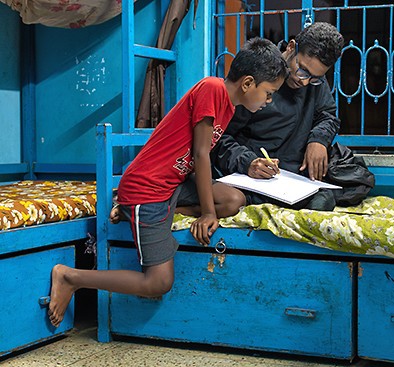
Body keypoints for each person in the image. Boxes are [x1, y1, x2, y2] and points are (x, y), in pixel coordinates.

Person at [48, 37, 289, 327]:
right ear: (248, 83)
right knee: (159, 283)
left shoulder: (229, 107)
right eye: (268, 92)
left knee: (234, 199)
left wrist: (209, 206)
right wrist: (207, 213)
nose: (268, 101)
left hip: (171, 187)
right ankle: (70, 277)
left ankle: (135, 212)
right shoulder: (213, 88)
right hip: (146, 188)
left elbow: (192, 157)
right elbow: (201, 154)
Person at [212, 22, 354, 211]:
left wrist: (318, 140)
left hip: (293, 176)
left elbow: (327, 115)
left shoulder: (315, 82)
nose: (304, 82)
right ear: (291, 47)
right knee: (239, 200)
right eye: (302, 70)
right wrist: (248, 162)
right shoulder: (258, 75)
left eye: (313, 77)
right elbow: (220, 137)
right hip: (252, 173)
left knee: (326, 199)